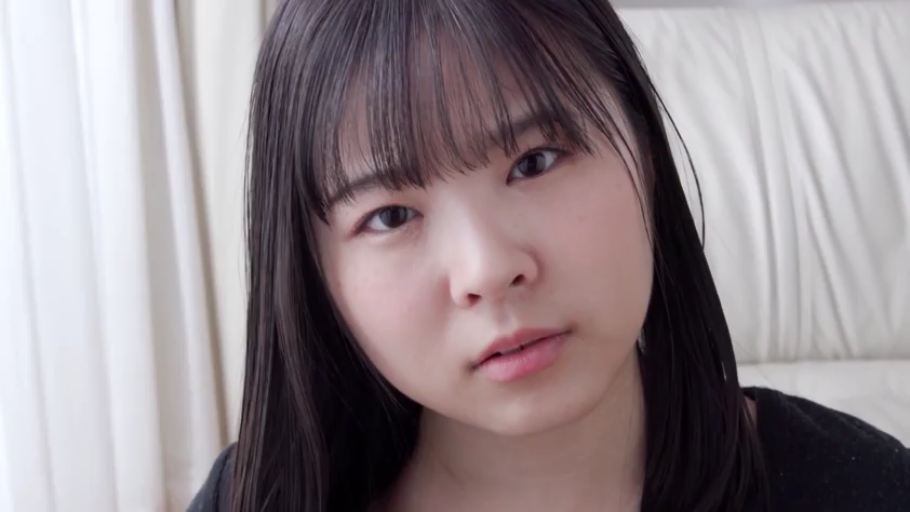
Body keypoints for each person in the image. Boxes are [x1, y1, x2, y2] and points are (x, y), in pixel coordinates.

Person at [188, 0, 910, 511]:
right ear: (316, 272)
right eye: (392, 215)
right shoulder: (258, 497)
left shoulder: (858, 488)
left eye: (534, 162)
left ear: (643, 151)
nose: (487, 268)